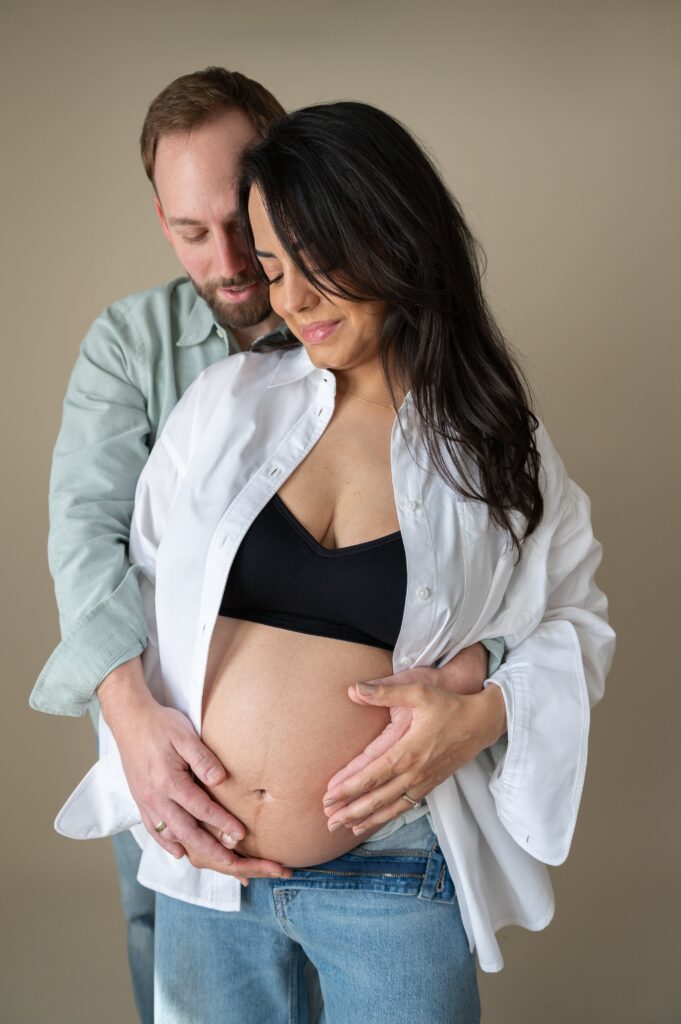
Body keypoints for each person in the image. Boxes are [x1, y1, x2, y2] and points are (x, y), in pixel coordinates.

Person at [56, 101, 615, 1022]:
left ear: (395, 241)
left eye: (314, 268)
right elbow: (136, 581)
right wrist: (143, 753)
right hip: (206, 879)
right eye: (274, 270)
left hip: (392, 875)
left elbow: (573, 622)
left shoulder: (493, 446)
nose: (289, 301)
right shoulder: (226, 403)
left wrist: (483, 712)